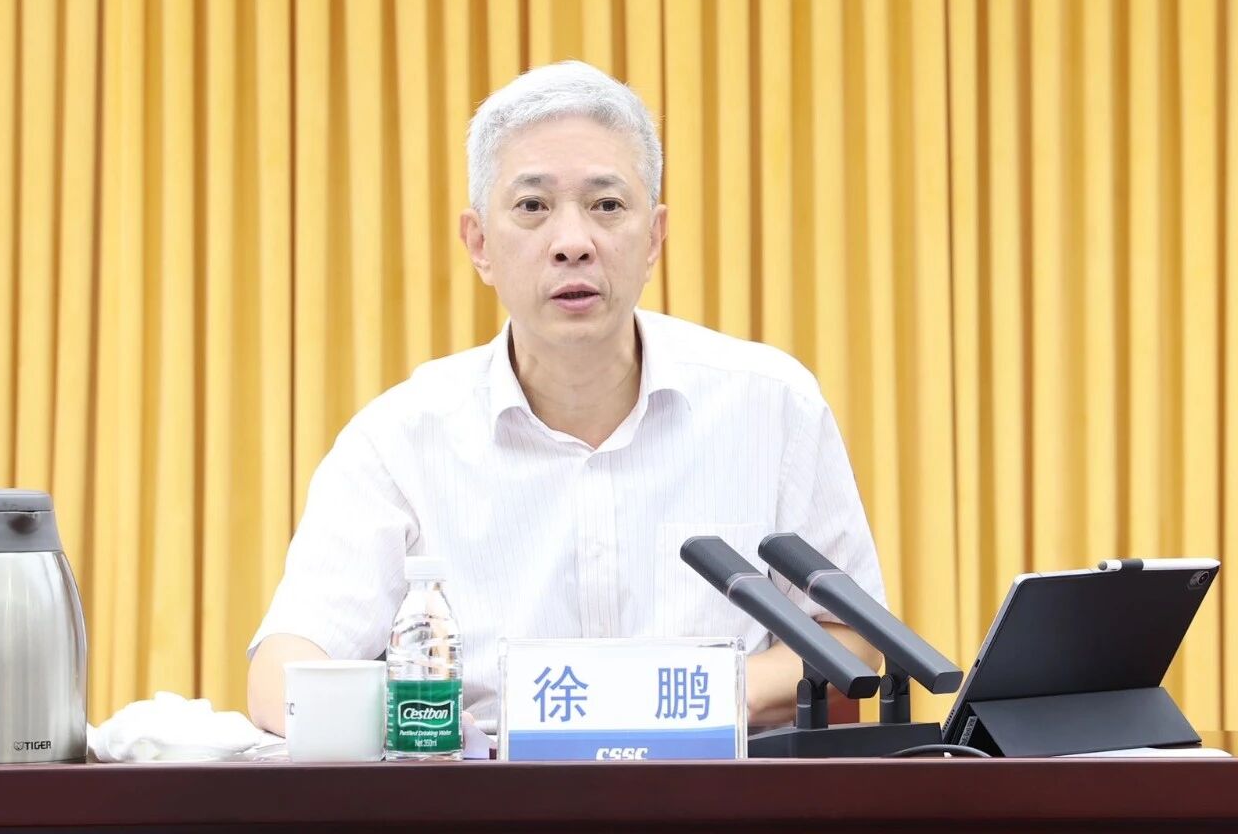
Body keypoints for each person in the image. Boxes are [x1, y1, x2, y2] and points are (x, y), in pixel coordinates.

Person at [247, 60, 886, 736]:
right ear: (479, 243)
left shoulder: (772, 406)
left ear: (654, 238)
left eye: (607, 206)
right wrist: (437, 731)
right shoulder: (398, 438)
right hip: (486, 788)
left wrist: (673, 698)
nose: (573, 244)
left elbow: (852, 638)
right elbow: (283, 673)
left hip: (715, 788)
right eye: (532, 207)